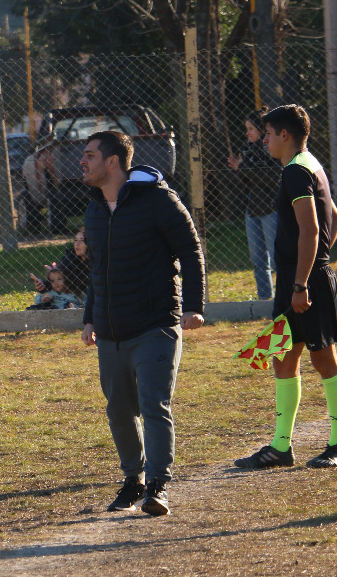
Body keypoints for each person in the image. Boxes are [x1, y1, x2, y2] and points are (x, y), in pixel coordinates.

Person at [79, 130, 206, 518]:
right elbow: (98, 269)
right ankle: (132, 480)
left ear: (113, 162)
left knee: (154, 405)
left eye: (89, 155)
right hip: (111, 331)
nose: (81, 162)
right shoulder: (96, 209)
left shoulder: (158, 200)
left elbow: (191, 249)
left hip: (156, 325)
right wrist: (89, 317)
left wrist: (194, 305)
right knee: (118, 410)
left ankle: (157, 485)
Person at [235, 104, 337, 471]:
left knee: (322, 357)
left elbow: (313, 230)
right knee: (284, 358)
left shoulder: (296, 172)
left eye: (267, 134)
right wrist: (315, 265)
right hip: (298, 278)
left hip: (302, 281)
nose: (264, 139)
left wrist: (304, 281)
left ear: (284, 135)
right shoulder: (308, 163)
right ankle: (280, 447)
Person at [227, 110, 282, 300]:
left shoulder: (270, 150)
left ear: (260, 130)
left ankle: (285, 297)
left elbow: (271, 178)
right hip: (253, 209)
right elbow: (247, 181)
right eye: (246, 129)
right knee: (258, 261)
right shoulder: (248, 150)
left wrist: (243, 168)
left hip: (270, 209)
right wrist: (239, 168)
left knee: (277, 259)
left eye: (251, 129)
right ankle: (265, 299)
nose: (247, 133)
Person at [32, 228, 89, 301]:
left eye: (82, 241)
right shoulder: (69, 259)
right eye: (76, 240)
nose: (76, 244)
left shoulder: (98, 262)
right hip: (71, 297)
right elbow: (57, 278)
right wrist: (43, 285)